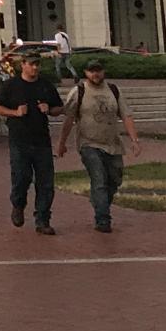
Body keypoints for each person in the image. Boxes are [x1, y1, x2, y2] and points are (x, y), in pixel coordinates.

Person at [56, 58, 142, 233]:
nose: (95, 74)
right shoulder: (79, 91)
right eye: (91, 71)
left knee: (114, 180)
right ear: (86, 73)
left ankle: (99, 201)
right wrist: (62, 143)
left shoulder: (113, 90)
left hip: (113, 144)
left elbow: (126, 115)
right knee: (99, 179)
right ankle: (103, 219)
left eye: (98, 70)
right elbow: (69, 118)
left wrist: (134, 140)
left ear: (103, 71)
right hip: (89, 144)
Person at [0, 51, 63, 234]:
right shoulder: (11, 86)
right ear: (22, 65)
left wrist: (49, 110)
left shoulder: (45, 85)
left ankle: (42, 220)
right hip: (19, 141)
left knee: (46, 182)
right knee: (21, 177)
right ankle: (18, 204)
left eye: (37, 64)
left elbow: (59, 107)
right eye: (31, 64)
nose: (35, 67)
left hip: (42, 141)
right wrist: (15, 113)